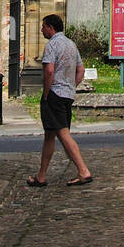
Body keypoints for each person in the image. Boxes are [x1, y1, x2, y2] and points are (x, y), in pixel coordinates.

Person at [26, 14, 92, 186]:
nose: (41, 30)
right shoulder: (71, 44)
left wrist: (47, 93)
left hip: (54, 94)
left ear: (51, 28)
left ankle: (83, 171)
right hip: (67, 94)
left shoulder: (52, 45)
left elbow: (49, 71)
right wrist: (71, 86)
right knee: (50, 135)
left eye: (43, 26)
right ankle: (41, 176)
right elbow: (81, 70)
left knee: (63, 134)